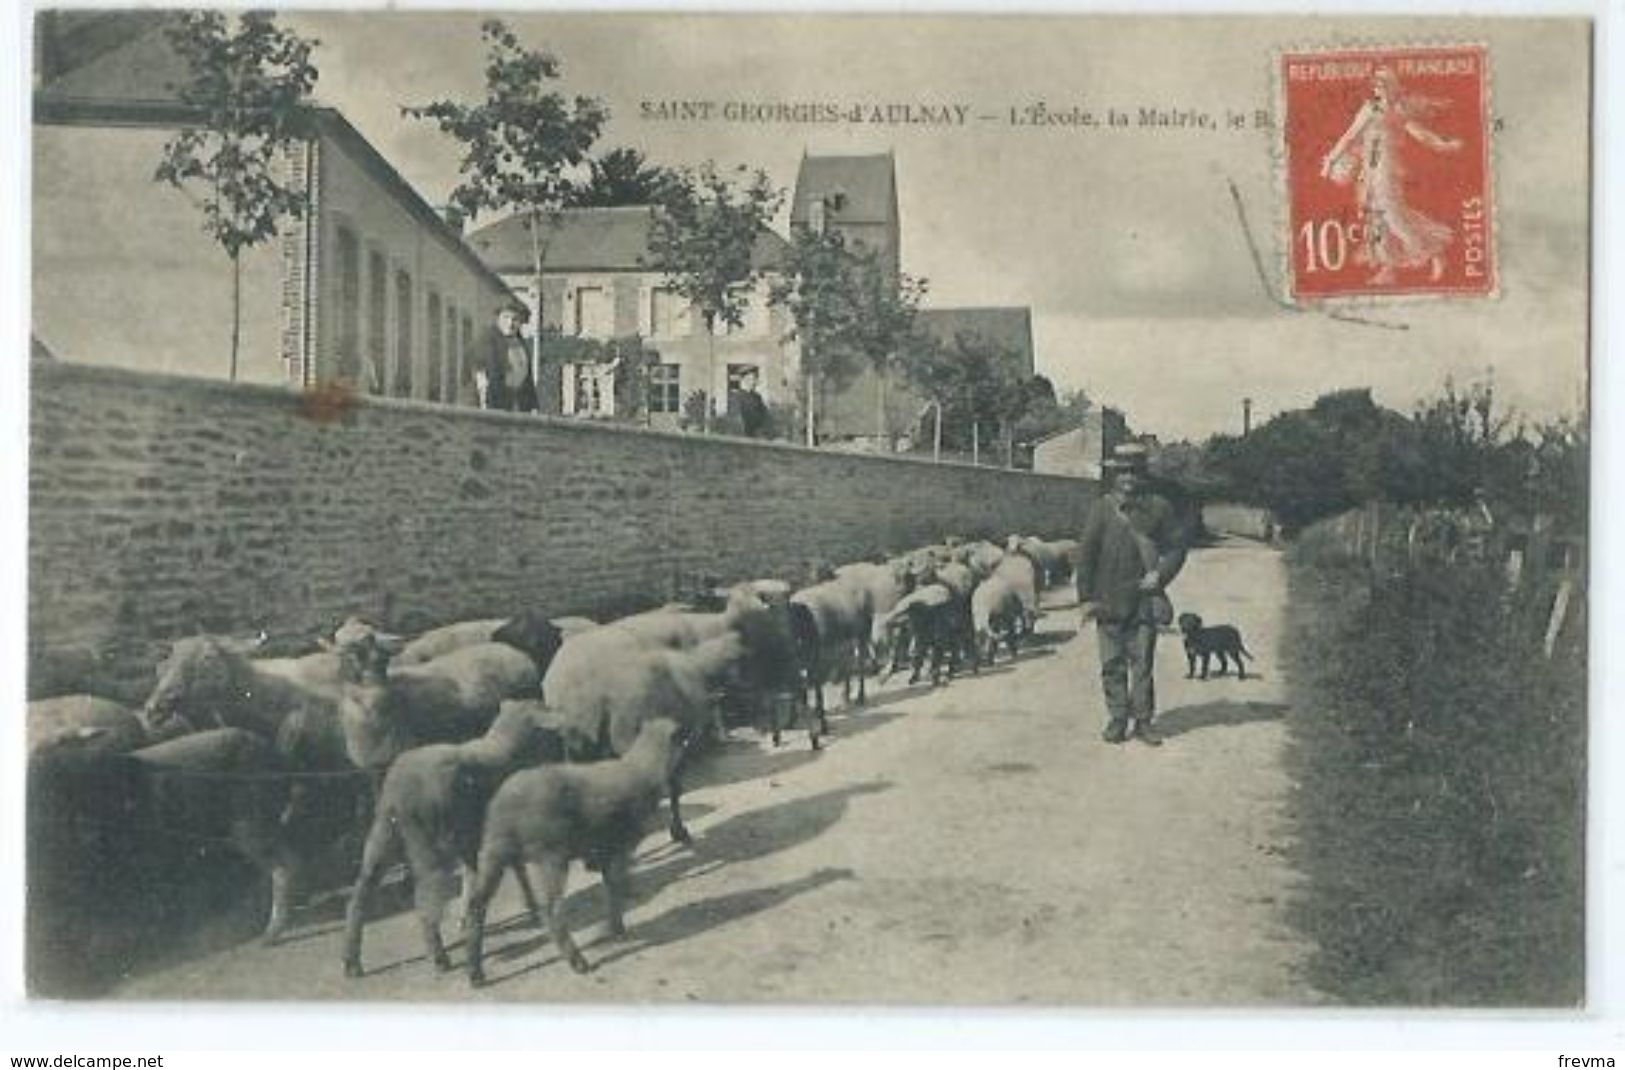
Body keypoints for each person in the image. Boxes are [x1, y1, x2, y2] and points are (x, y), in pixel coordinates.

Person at [1075, 443, 1190, 746]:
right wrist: (1086, 597)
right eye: (1122, 472)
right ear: (1113, 475)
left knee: (1142, 664)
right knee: (1111, 663)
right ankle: (1117, 718)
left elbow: (1177, 547)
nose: (1128, 478)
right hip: (1107, 599)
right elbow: (1086, 554)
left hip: (1143, 601)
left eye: (1135, 472)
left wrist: (1161, 575)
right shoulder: (1102, 508)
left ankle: (1142, 721)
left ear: (1144, 475)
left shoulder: (1159, 508)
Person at [1319, 65, 1463, 285]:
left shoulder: (1399, 110)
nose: (1379, 89)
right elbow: (1349, 136)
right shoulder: (1370, 109)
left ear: (1393, 87)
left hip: (1387, 169)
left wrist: (1444, 145)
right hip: (1369, 170)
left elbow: (1420, 134)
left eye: (1384, 85)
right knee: (1375, 218)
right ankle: (1388, 269)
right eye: (1376, 85)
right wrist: (1331, 160)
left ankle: (1432, 253)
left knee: (1393, 215)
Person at [469, 302, 538, 413]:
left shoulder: (522, 344)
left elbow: (528, 377)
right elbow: (482, 370)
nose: (510, 323)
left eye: (515, 319)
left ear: (521, 322)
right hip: (496, 402)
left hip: (519, 403)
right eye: (506, 317)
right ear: (498, 318)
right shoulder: (488, 340)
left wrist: (532, 404)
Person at [732, 367, 771, 439]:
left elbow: (765, 415)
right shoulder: (736, 397)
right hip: (744, 436)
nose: (754, 382)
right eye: (751, 379)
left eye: (754, 379)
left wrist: (765, 432)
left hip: (758, 435)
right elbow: (737, 419)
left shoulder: (757, 397)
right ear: (744, 380)